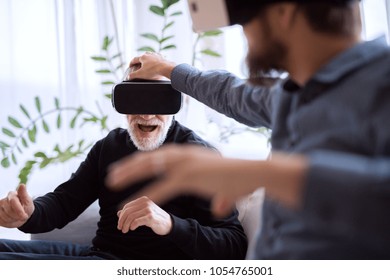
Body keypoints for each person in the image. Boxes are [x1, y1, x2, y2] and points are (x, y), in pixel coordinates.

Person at [106, 0, 390, 259]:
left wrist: (267, 174)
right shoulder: (292, 95)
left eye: (245, 22)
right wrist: (168, 69)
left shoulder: (381, 84)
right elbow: (232, 94)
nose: (245, 37)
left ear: (283, 12)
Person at [0, 73, 247, 259]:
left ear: (175, 104)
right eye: (135, 98)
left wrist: (171, 225)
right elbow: (64, 202)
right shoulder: (110, 146)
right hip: (99, 254)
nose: (147, 115)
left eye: (158, 100)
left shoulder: (200, 156)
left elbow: (233, 244)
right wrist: (28, 214)